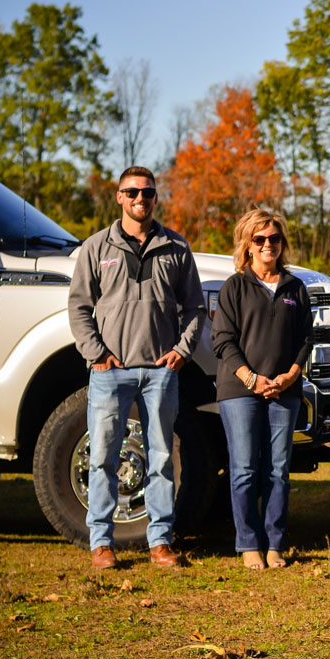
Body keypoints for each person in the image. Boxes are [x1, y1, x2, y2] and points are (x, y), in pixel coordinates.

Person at [68, 166, 206, 569]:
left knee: (161, 458)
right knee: (103, 458)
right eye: (132, 193)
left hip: (161, 374)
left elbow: (195, 308)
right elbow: (78, 308)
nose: (140, 199)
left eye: (147, 193)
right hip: (110, 372)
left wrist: (182, 351)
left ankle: (160, 541)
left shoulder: (176, 248)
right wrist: (96, 354)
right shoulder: (96, 248)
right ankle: (101, 544)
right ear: (119, 197)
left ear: (155, 198)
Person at [210, 209, 313, 571]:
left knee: (278, 469)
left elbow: (305, 338)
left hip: (284, 389)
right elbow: (222, 340)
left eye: (274, 238)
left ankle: (275, 544)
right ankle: (248, 543)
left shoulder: (295, 288)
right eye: (259, 239)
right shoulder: (234, 287)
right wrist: (251, 378)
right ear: (247, 245)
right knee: (243, 469)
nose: (268, 244)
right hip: (239, 391)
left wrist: (290, 375)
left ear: (282, 243)